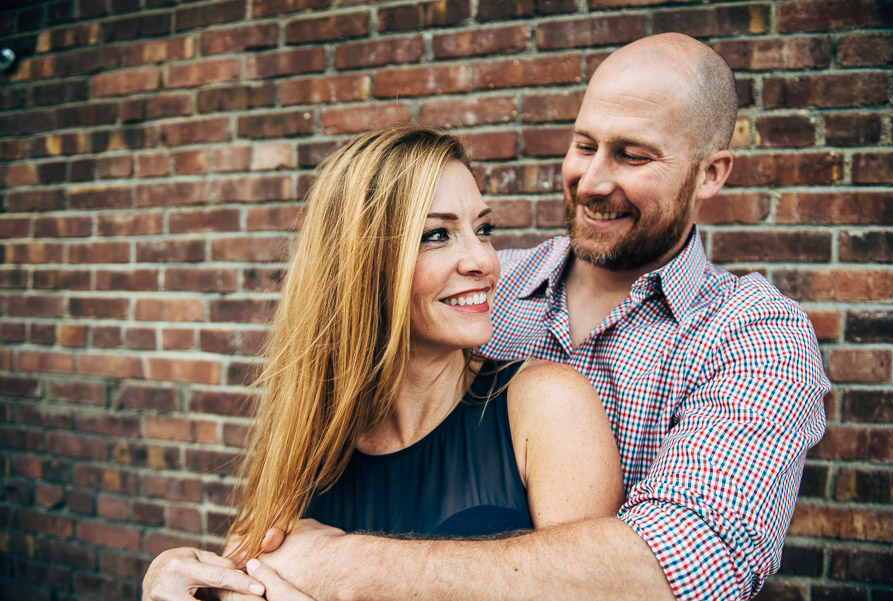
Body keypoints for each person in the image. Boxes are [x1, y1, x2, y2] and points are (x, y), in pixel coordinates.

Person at [242, 32, 831, 601]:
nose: (592, 181)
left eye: (632, 155)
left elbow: (685, 565)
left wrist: (342, 565)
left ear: (711, 173)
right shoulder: (479, 289)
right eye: (583, 144)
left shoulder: (754, 333)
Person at [142, 126, 624, 600]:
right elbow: (243, 573)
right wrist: (181, 576)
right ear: (363, 262)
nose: (484, 260)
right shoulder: (311, 431)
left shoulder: (548, 405)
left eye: (484, 229)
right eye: (437, 234)